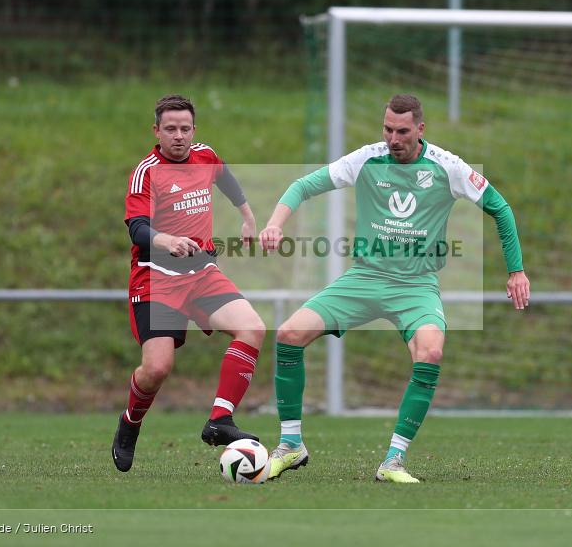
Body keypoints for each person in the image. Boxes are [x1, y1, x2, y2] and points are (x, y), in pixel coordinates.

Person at [259, 94, 530, 483]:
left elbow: (500, 208)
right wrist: (274, 223)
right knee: (288, 334)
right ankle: (290, 446)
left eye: (402, 131)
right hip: (364, 279)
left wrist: (516, 271)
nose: (393, 139)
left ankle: (393, 461)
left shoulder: (448, 167)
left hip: (415, 286)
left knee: (431, 351)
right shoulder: (367, 159)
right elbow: (302, 186)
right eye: (387, 129)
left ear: (420, 129)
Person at [112, 94, 266, 472]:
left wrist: (247, 216)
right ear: (157, 131)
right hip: (157, 279)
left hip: (201, 273)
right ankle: (130, 422)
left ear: (193, 130)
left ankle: (220, 420)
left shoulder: (205, 156)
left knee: (253, 328)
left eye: (184, 129)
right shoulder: (147, 172)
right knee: (157, 369)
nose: (178, 136)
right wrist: (166, 240)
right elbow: (137, 229)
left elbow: (226, 179)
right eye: (170, 129)